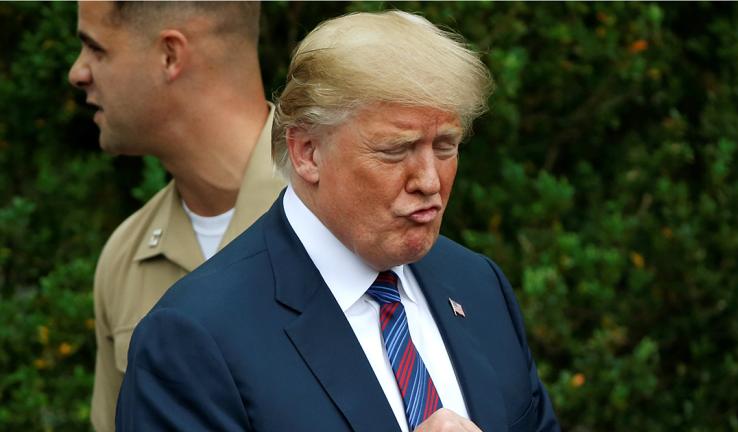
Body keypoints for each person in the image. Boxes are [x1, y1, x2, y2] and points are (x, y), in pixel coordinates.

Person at [116, 10, 559, 432]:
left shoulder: (478, 285)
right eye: (396, 150)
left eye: (445, 146)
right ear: (307, 151)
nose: (429, 180)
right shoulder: (194, 337)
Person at [67, 2, 285, 431]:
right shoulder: (126, 258)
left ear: (170, 56)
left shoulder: (340, 219)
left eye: (96, 48)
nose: (78, 72)